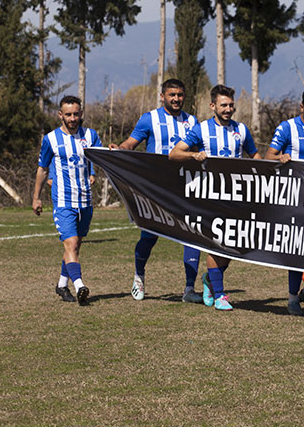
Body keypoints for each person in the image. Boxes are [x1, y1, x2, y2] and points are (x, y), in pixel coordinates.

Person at [110, 79, 204, 304]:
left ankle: (189, 289)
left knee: (192, 235)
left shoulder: (192, 121)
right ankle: (139, 276)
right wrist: (118, 149)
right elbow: (130, 144)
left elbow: (200, 149)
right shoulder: (149, 119)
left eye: (180, 95)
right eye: (172, 94)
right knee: (149, 236)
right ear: (162, 96)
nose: (176, 99)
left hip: (183, 188)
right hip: (154, 188)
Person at [169, 84, 261, 310]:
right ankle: (220, 294)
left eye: (231, 105)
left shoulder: (241, 130)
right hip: (210, 198)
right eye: (223, 105)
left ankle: (210, 279)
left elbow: (256, 155)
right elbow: (174, 154)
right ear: (213, 106)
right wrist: (193, 154)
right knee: (215, 245)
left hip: (238, 197)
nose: (228, 109)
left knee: (233, 248)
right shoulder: (201, 130)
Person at [265, 87, 304, 316]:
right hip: (295, 198)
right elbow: (268, 157)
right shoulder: (287, 128)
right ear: (302, 107)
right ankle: (293, 298)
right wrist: (280, 157)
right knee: (298, 249)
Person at [33, 95, 102, 306]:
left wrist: (93, 173)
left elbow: (99, 158)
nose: (72, 118)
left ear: (81, 114)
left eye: (76, 114)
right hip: (63, 201)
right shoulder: (51, 139)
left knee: (75, 245)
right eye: (68, 114)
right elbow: (42, 169)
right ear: (60, 115)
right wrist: (36, 198)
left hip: (85, 200)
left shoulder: (90, 135)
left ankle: (62, 285)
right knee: (70, 243)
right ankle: (80, 285)